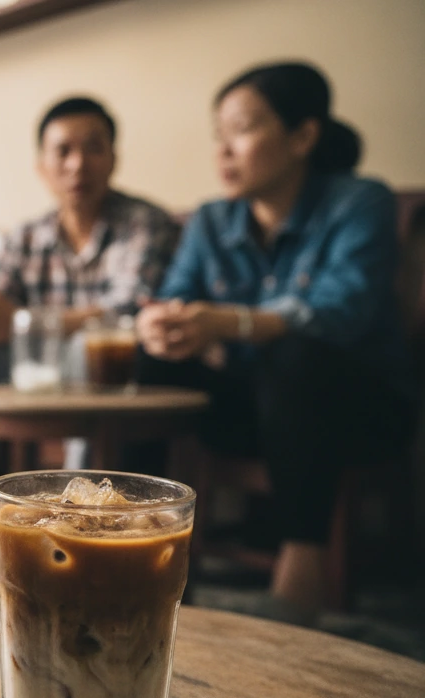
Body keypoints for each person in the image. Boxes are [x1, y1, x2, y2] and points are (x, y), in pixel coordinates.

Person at [135, 62, 416, 622]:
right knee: (150, 359)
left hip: (351, 410)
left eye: (241, 129)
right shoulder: (213, 220)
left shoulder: (361, 202)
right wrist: (163, 325)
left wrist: (231, 323)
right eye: (219, 135)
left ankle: (302, 568)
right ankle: (126, 535)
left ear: (303, 136)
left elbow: (341, 314)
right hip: (252, 410)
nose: (224, 150)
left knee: (294, 356)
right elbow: (174, 297)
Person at [0, 97, 181, 480]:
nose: (78, 164)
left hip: (117, 371)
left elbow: (126, 310)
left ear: (114, 158)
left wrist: (21, 320)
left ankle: (75, 509)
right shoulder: (27, 234)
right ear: (41, 167)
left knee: (88, 345)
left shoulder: (146, 224)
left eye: (93, 148)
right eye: (63, 151)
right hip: (37, 363)